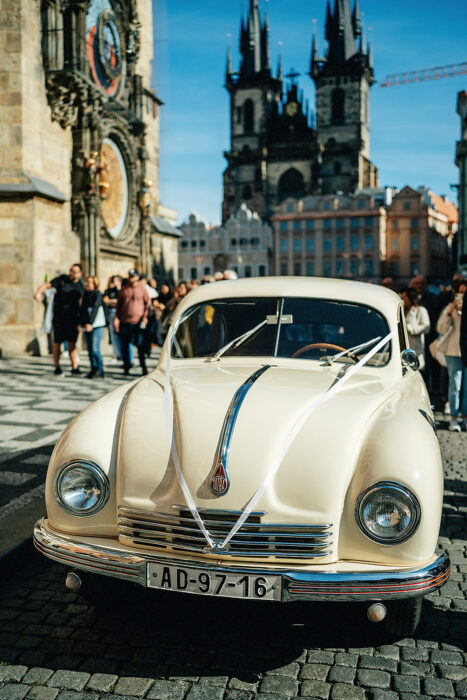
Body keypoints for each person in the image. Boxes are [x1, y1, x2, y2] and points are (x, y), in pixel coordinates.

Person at [33, 263, 84, 375]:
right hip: (59, 317)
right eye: (70, 270)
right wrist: (38, 293)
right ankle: (57, 367)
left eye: (74, 272)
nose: (71, 273)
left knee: (72, 343)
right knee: (57, 343)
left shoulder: (82, 285)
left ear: (80, 273)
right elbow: (47, 285)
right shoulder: (62, 279)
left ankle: (74, 367)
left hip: (73, 318)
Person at [436, 280, 467, 431]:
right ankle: (453, 418)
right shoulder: (450, 308)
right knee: (455, 385)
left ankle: (465, 417)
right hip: (453, 352)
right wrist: (452, 311)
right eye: (460, 293)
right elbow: (440, 328)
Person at [114, 268, 151, 376]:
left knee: (140, 346)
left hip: (138, 322)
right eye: (130, 276)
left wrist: (145, 317)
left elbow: (147, 305)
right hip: (125, 321)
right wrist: (116, 318)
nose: (132, 278)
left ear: (137, 277)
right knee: (125, 346)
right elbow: (118, 306)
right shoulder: (124, 289)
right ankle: (126, 367)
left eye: (133, 276)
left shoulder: (142, 289)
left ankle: (143, 367)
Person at [80, 275, 106, 378]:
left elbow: (95, 308)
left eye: (89, 282)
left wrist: (90, 323)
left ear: (95, 284)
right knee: (90, 349)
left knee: (95, 348)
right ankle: (93, 369)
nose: (87, 284)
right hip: (87, 325)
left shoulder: (98, 294)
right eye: (86, 282)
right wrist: (82, 323)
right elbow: (83, 310)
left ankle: (100, 370)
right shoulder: (85, 294)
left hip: (97, 324)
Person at [401, 287, 430, 370]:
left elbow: (426, 327)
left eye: (404, 297)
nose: (403, 299)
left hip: (415, 346)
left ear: (411, 297)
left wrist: (409, 328)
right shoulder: (403, 310)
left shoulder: (421, 310)